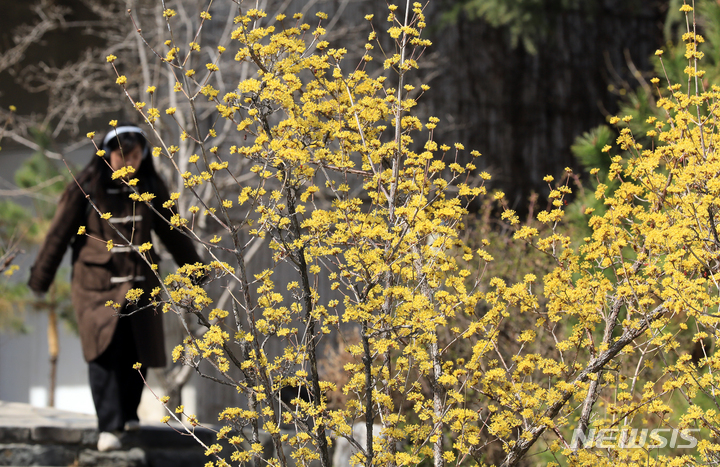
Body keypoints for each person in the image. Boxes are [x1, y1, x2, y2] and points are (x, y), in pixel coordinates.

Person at [28, 124, 202, 451]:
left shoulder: (151, 185)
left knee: (138, 351)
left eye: (135, 155)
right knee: (103, 353)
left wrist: (197, 271)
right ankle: (108, 426)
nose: (129, 162)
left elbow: (173, 233)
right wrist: (41, 277)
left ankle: (127, 415)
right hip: (95, 286)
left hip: (139, 283)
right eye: (123, 155)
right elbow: (58, 234)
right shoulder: (87, 185)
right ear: (109, 153)